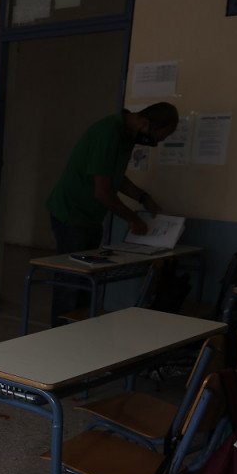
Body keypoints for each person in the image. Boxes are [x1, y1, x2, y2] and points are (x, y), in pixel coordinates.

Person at [45, 102, 180, 323]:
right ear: (144, 123)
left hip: (90, 218)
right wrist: (133, 218)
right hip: (71, 214)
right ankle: (59, 334)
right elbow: (102, 191)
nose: (157, 143)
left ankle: (78, 333)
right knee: (72, 283)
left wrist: (143, 197)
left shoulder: (126, 136)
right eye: (157, 137)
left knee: (87, 280)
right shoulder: (108, 133)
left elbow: (115, 177)